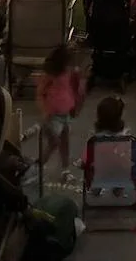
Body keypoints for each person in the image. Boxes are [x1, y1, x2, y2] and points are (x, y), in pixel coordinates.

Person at [37, 44, 85, 176]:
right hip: (53, 115)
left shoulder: (70, 72)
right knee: (53, 143)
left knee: (65, 142)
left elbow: (75, 91)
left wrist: (76, 106)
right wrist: (45, 110)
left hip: (66, 113)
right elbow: (41, 92)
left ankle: (65, 168)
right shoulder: (51, 75)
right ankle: (37, 168)